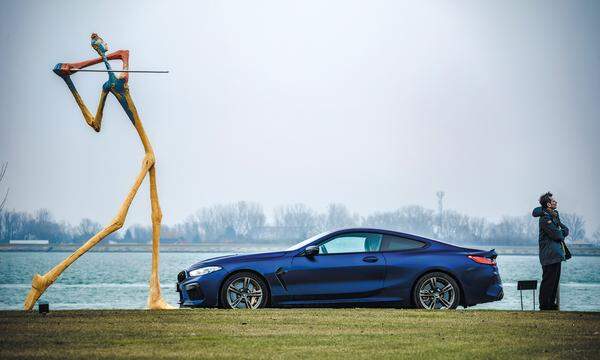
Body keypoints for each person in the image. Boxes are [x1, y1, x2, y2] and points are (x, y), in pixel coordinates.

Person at [532, 192, 571, 310]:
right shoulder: (545, 219)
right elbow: (557, 235)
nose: (556, 202)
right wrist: (561, 233)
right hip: (549, 255)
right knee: (548, 280)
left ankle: (551, 304)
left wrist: (561, 232)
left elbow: (565, 229)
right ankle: (544, 305)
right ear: (548, 204)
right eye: (553, 201)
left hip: (556, 254)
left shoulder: (554, 216)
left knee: (554, 281)